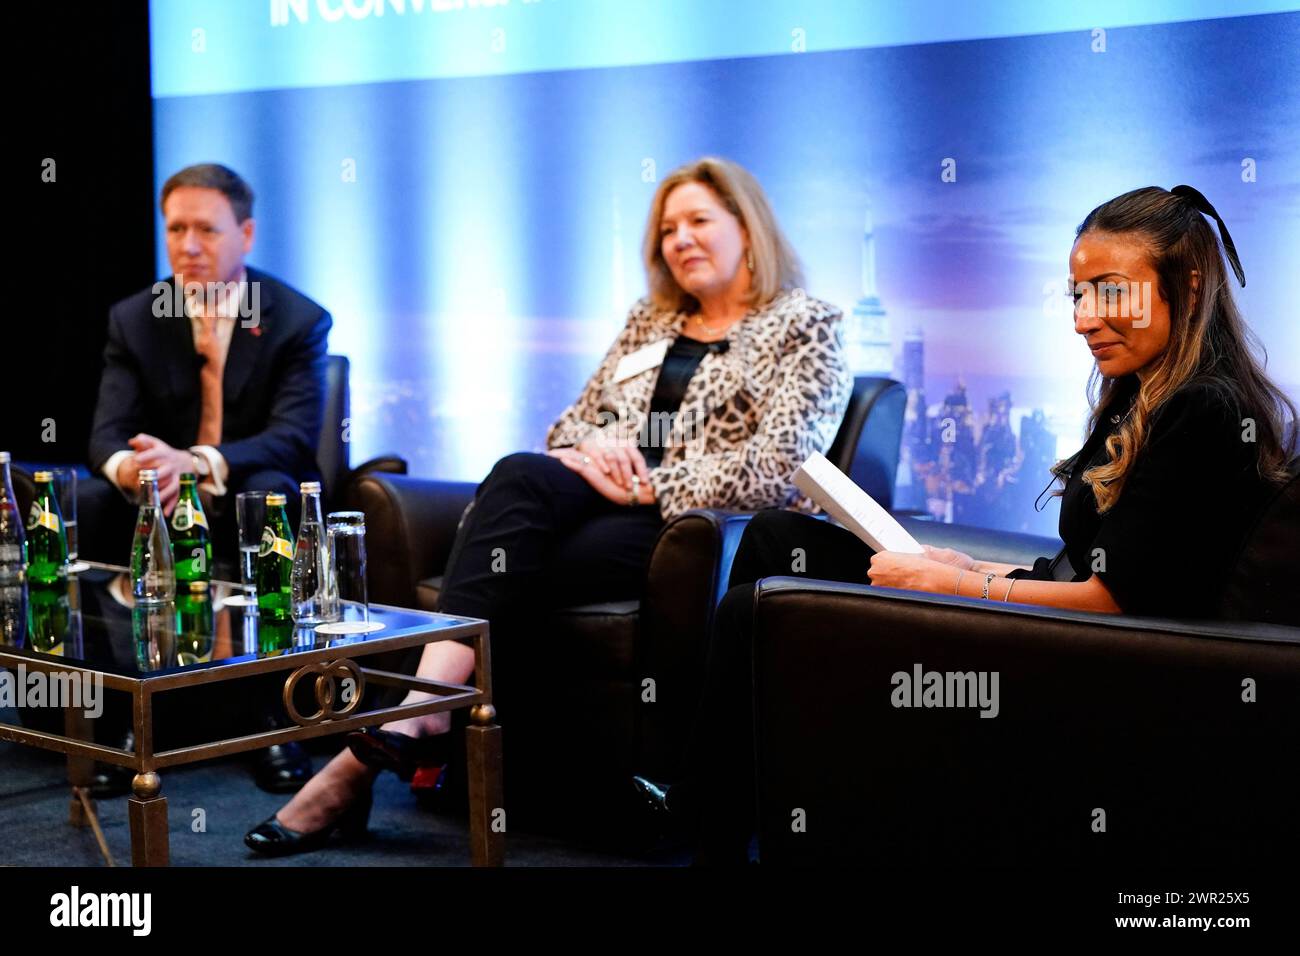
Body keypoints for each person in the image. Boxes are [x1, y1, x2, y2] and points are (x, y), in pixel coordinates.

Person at [635, 184, 1298, 863]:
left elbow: (1110, 603)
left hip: (1085, 660)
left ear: (1185, 286)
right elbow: (1089, 567)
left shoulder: (1205, 413)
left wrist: (956, 588)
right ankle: (715, 810)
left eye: (1109, 291)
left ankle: (705, 826)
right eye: (1078, 295)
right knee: (778, 536)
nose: (1082, 319)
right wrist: (965, 566)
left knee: (756, 609)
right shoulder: (1143, 394)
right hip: (1060, 622)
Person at [244, 156, 854, 855]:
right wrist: (599, 452)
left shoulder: (806, 324)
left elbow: (781, 466)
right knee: (520, 474)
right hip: (602, 505)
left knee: (510, 557)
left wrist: (649, 484)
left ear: (748, 228)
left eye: (698, 222)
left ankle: (390, 737)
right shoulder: (650, 320)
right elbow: (567, 430)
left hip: (693, 532)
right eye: (666, 229)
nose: (678, 240)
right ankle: (421, 716)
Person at [85, 163, 332, 794]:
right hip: (162, 497)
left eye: (206, 229)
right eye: (176, 229)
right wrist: (139, 472)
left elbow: (293, 436)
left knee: (269, 494)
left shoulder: (297, 320)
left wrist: (191, 463)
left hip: (246, 483)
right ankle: (126, 718)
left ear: (245, 234)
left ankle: (275, 719)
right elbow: (105, 437)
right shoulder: (136, 319)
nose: (188, 245)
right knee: (90, 503)